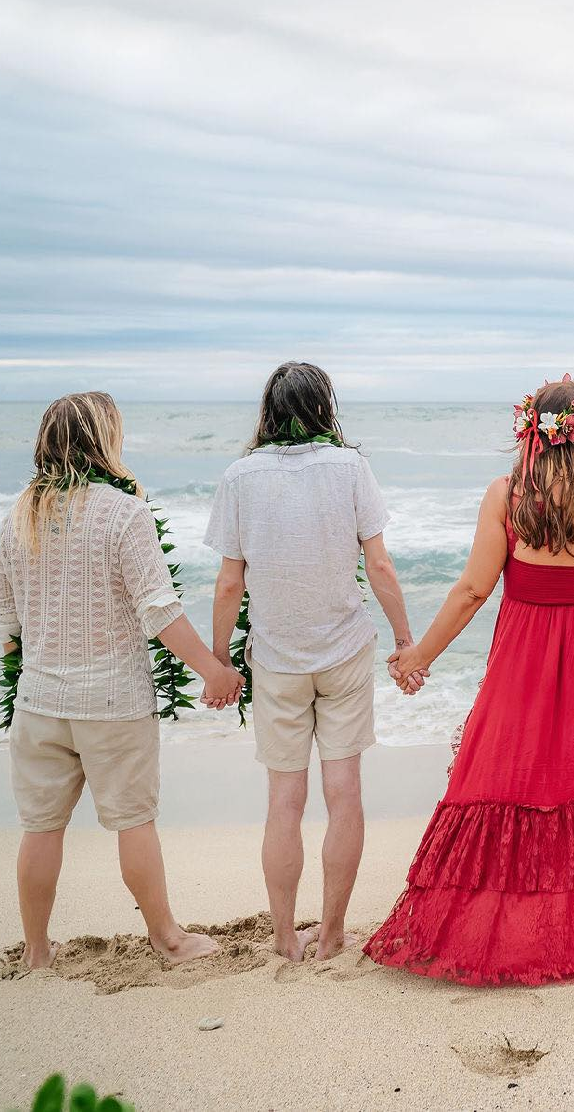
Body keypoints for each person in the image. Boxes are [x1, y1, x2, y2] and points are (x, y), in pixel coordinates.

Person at [365, 376, 574, 985]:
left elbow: (470, 591)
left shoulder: (504, 495)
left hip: (522, 652)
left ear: (529, 431)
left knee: (507, 775)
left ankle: (503, 920)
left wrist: (419, 657)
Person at [0, 392, 244, 971]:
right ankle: (167, 938)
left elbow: (7, 630)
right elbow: (160, 612)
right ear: (105, 439)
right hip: (112, 703)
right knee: (133, 822)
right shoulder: (122, 512)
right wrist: (215, 671)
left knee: (40, 828)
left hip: (38, 706)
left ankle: (35, 952)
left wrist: (39, 668)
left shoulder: (17, 517)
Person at [206, 362, 413, 962]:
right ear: (326, 407)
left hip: (276, 658)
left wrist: (219, 662)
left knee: (283, 801)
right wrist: (405, 641)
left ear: (268, 412)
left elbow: (227, 585)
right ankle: (331, 933)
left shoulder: (241, 476)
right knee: (344, 792)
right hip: (345, 651)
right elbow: (379, 566)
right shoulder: (351, 468)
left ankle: (282, 939)